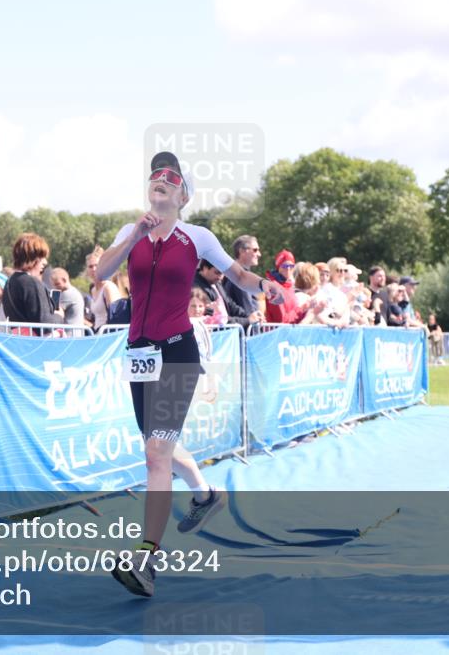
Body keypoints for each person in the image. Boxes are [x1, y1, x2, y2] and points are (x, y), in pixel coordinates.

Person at [97, 151, 284, 598]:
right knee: (157, 448)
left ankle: (146, 559)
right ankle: (205, 496)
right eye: (155, 175)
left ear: (182, 195)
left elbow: (237, 273)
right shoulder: (131, 230)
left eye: (170, 177)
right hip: (139, 354)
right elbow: (101, 272)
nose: (160, 179)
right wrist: (134, 236)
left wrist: (265, 285)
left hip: (178, 352)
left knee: (156, 454)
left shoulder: (196, 236)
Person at [0, 233, 63, 329]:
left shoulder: (10, 282)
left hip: (19, 340)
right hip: (35, 342)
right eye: (41, 257)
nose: (45, 262)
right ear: (31, 257)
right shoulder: (31, 283)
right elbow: (44, 325)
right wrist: (59, 316)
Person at [221, 235, 264, 328]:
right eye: (255, 250)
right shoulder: (239, 277)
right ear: (242, 251)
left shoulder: (234, 274)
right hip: (245, 333)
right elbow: (249, 312)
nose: (259, 254)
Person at [84, 246, 125, 330]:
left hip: (108, 334)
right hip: (97, 334)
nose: (94, 269)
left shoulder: (108, 287)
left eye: (97, 265)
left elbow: (115, 317)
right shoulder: (93, 289)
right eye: (90, 266)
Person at [264, 249, 301, 323]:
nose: (288, 269)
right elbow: (281, 319)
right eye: (284, 265)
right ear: (278, 266)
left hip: (288, 331)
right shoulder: (273, 287)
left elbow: (293, 311)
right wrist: (302, 310)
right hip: (276, 333)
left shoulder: (289, 285)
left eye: (291, 266)